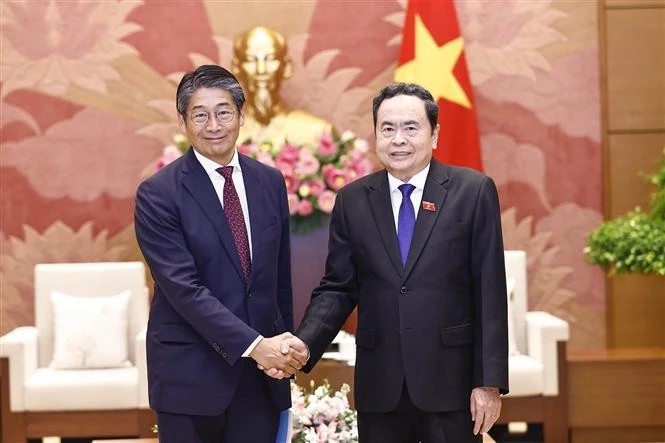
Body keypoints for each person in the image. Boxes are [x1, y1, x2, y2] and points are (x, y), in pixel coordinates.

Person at [268, 82, 509, 442]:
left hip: (450, 383)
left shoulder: (472, 192)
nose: (399, 139)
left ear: (434, 134)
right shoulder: (352, 200)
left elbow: (490, 290)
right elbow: (338, 286)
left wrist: (488, 383)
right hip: (380, 385)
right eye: (388, 128)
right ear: (376, 135)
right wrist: (305, 343)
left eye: (411, 128)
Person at [134, 64, 305, 443]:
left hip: (260, 379)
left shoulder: (270, 181)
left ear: (241, 116)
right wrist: (256, 346)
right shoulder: (159, 194)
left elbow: (279, 281)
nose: (214, 125)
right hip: (191, 377)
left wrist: (282, 352)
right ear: (183, 121)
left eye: (224, 112)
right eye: (200, 114)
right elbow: (184, 290)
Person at [232, 26, 332, 147]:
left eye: (270, 59)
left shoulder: (317, 132)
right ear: (236, 68)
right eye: (250, 60)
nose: (261, 70)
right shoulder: (220, 136)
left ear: (286, 67)